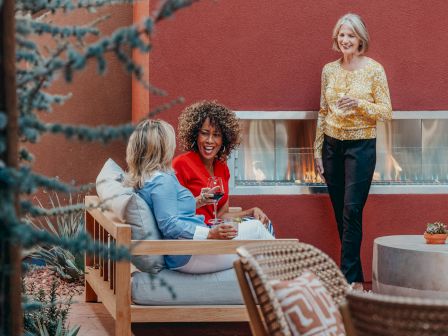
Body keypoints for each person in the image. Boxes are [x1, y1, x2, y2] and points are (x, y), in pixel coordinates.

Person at [124, 119, 274, 274]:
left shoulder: (150, 178)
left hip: (188, 250)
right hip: (190, 253)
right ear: (161, 148)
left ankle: (275, 285)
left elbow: (169, 209)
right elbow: (169, 224)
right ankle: (287, 284)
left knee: (259, 243)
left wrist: (200, 201)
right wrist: (209, 234)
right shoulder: (162, 181)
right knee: (257, 229)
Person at [313, 13, 392, 285]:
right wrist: (317, 151)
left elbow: (386, 112)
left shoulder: (374, 70)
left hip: (361, 147)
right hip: (332, 147)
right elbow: (323, 111)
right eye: (342, 34)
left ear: (361, 39)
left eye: (351, 35)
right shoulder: (329, 70)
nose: (345, 40)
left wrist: (358, 104)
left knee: (352, 211)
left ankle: (348, 281)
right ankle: (354, 280)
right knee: (341, 214)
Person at [173, 100, 274, 235]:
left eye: (216, 135)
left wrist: (251, 211)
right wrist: (198, 201)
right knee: (257, 228)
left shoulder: (222, 168)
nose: (210, 140)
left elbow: (220, 216)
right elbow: (172, 212)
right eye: (204, 133)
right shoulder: (181, 164)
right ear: (195, 135)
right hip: (198, 233)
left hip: (218, 229)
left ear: (224, 140)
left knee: (264, 223)